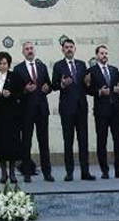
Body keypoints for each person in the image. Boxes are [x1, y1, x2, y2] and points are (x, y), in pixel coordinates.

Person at [52, 39, 95, 181]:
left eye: (71, 47)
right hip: (66, 108)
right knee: (68, 141)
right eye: (66, 47)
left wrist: (88, 83)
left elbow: (87, 86)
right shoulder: (58, 65)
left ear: (75, 49)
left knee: (83, 141)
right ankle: (69, 172)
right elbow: (54, 85)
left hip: (81, 107)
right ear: (62, 50)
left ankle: (85, 172)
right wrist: (62, 84)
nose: (69, 49)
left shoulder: (82, 64)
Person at [13, 42, 53, 182]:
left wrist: (48, 88)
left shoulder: (42, 66)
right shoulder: (18, 69)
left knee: (44, 142)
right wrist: (25, 90)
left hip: (42, 110)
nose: (29, 51)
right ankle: (27, 173)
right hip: (26, 111)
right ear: (23, 52)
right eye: (27, 49)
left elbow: (49, 84)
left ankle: (47, 173)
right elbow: (16, 92)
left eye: (31, 48)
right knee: (26, 142)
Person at [86, 45, 119, 179]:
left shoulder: (114, 70)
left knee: (118, 140)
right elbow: (87, 89)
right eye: (102, 53)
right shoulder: (91, 71)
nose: (104, 56)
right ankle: (105, 170)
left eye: (106, 53)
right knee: (102, 141)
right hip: (101, 111)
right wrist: (99, 92)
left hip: (116, 110)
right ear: (97, 55)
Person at [0, 52, 22, 184]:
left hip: (12, 114)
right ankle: (3, 173)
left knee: (13, 143)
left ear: (9, 64)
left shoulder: (15, 76)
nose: (3, 66)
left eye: (5, 63)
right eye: (0, 63)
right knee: (0, 142)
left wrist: (11, 94)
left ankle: (12, 173)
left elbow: (20, 93)